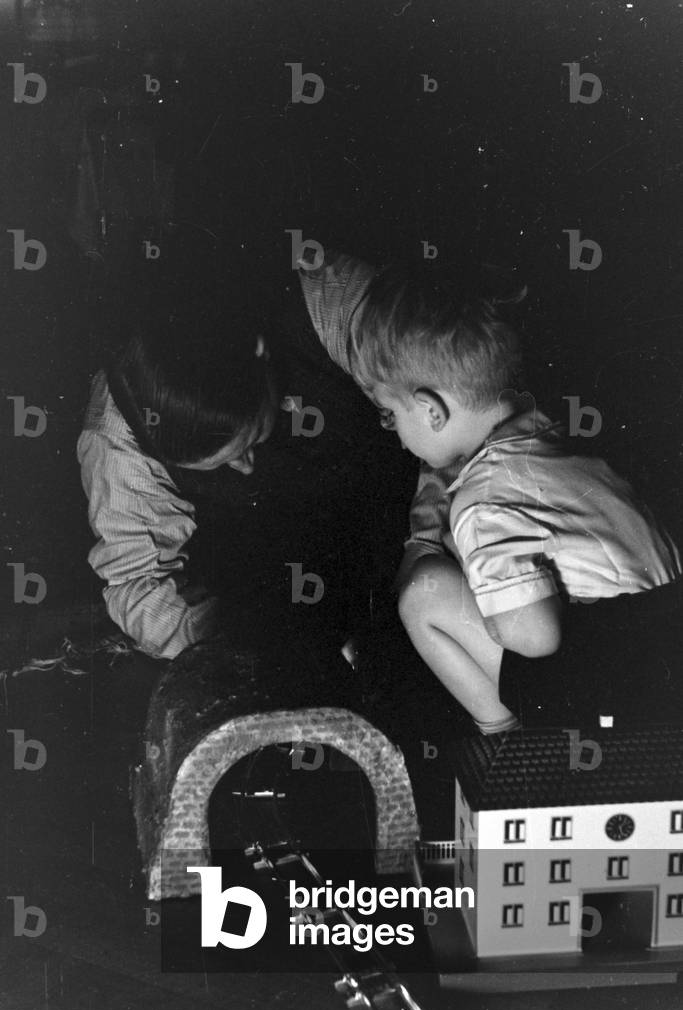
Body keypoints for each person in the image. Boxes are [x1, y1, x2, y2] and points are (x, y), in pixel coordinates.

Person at [349, 262, 682, 733]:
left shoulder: (482, 503)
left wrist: (493, 610)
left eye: (389, 415)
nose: (397, 436)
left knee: (423, 593)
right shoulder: (557, 441)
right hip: (664, 659)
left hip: (616, 697)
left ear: (431, 411)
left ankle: (506, 739)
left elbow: (536, 636)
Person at [77, 246, 384, 661]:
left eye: (250, 441)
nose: (246, 468)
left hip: (384, 515)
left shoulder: (336, 302)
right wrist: (242, 645)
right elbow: (139, 584)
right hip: (260, 579)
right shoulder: (118, 431)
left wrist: (424, 550)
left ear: (259, 350)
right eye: (217, 465)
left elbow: (457, 418)